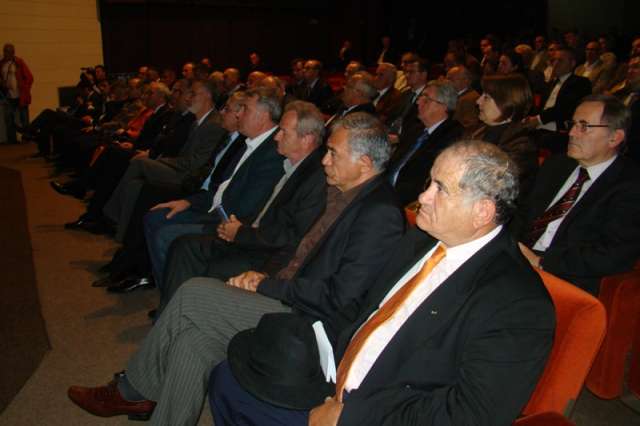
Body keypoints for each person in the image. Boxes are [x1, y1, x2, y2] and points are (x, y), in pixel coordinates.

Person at [67, 112, 406, 425]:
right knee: (192, 342)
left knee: (192, 293)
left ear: (364, 163)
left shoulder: (379, 214)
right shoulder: (342, 193)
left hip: (308, 322)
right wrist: (265, 276)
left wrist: (265, 285)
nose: (324, 160)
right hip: (289, 294)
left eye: (333, 153)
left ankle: (130, 390)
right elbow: (297, 252)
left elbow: (339, 298)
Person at [209, 140, 556, 426]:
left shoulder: (519, 304)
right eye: (429, 182)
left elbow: (471, 415)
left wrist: (351, 416)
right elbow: (365, 309)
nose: (423, 197)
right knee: (228, 377)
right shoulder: (422, 240)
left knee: (235, 389)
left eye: (440, 189)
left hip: (379, 412)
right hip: (334, 371)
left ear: (482, 212)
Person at [515, 94, 640, 295]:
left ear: (614, 138)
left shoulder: (630, 185)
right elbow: (522, 212)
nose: (572, 133)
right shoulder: (557, 165)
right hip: (518, 261)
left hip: (563, 279)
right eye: (573, 124)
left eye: (584, 126)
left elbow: (613, 254)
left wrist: (541, 261)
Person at [387, 79, 463, 205]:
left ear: (443, 106)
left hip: (410, 200)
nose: (418, 102)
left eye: (426, 99)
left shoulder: (452, 137)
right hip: (388, 190)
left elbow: (423, 179)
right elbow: (395, 163)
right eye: (421, 97)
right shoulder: (415, 129)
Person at [471, 74, 539, 200]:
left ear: (507, 103)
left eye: (486, 97)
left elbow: (496, 188)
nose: (478, 101)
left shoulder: (521, 145)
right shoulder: (478, 130)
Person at [0, 43, 33, 144]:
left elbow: (30, 77)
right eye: (5, 51)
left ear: (13, 52)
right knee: (8, 118)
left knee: (24, 118)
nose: (6, 53)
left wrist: (25, 89)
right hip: (8, 96)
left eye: (9, 51)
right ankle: (12, 140)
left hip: (21, 95)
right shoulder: (1, 64)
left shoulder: (19, 62)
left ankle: (27, 137)